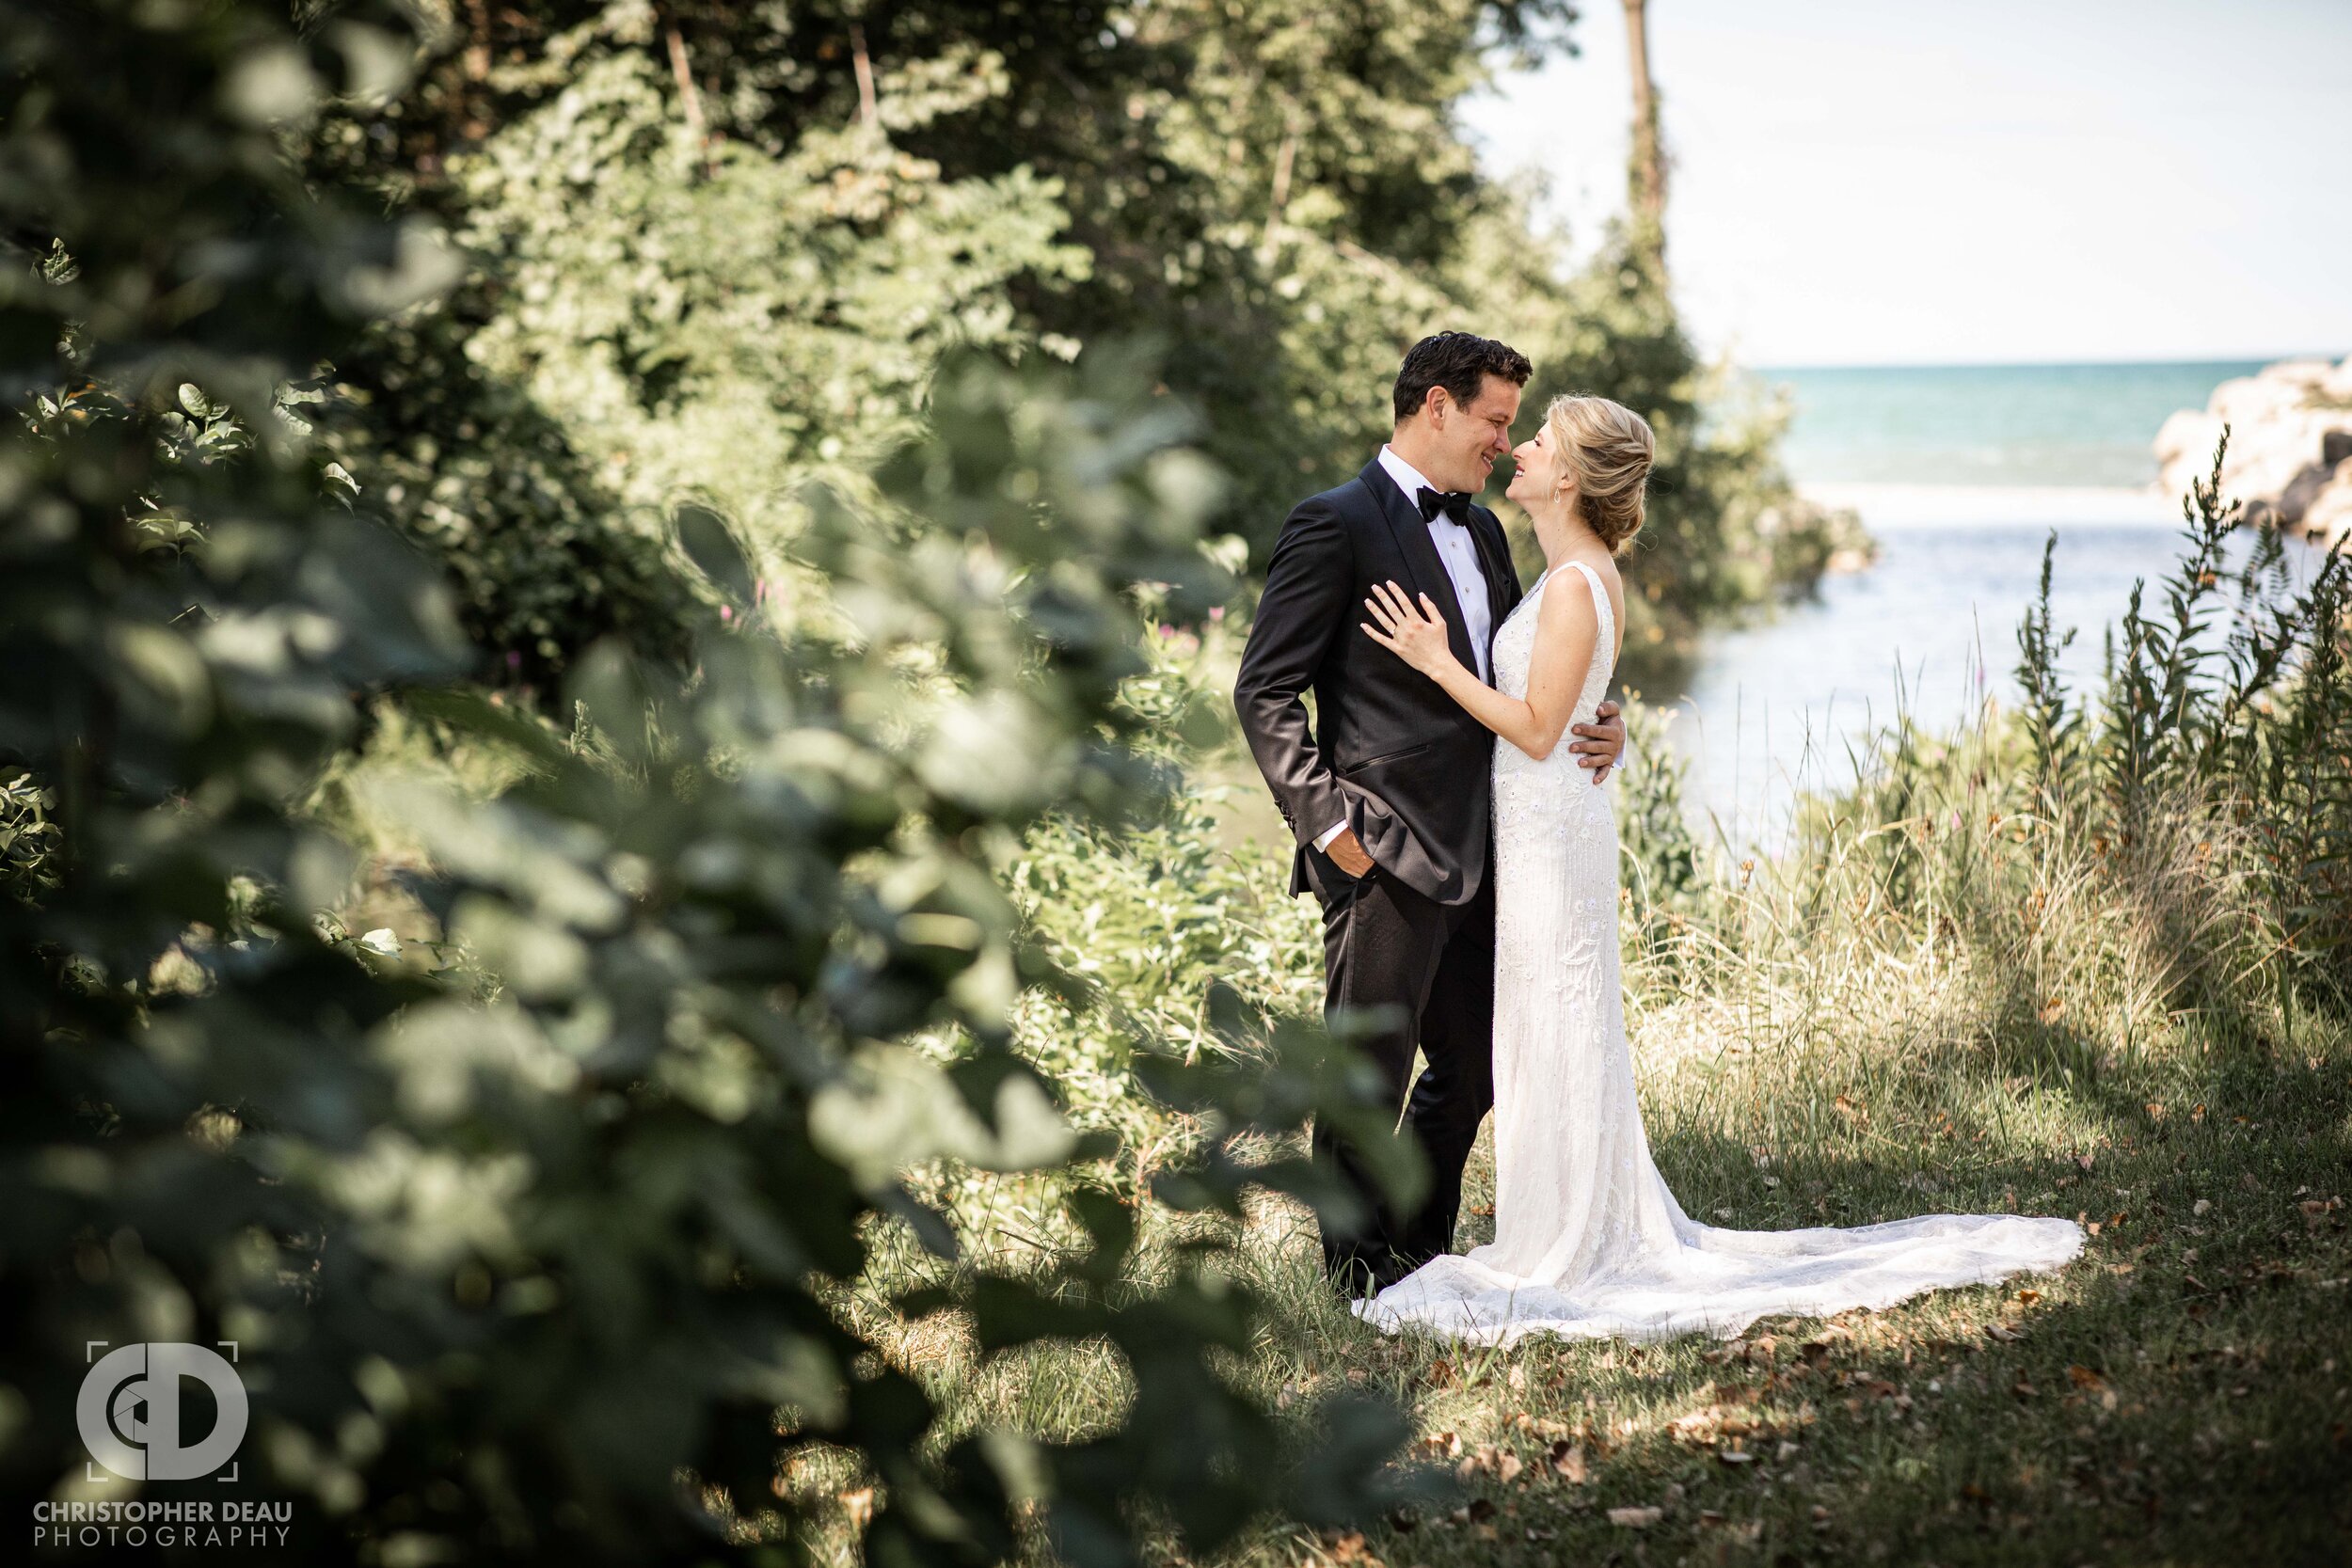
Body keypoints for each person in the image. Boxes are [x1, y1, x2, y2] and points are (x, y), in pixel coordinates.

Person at [1352, 390, 2084, 1342]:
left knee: (1560, 1013)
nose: (1520, 448)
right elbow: (1566, 706)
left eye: (1538, 441)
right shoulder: (1577, 571)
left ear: (1569, 475)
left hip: (1549, 826)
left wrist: (1437, 659)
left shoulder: (1577, 582)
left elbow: (1534, 726)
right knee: (1547, 1015)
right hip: (1544, 825)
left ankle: (1569, 1232)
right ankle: (1556, 1214)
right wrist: (1597, 720)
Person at [1232, 332, 1628, 1298]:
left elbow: (1526, 669)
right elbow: (1263, 690)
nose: (1503, 440)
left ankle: (1415, 1260)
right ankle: (1353, 1282)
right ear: (1436, 406)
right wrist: (1331, 828)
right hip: (1379, 849)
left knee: (1475, 1071)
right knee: (1365, 1077)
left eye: (1511, 424)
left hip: (1493, 846)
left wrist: (1600, 715)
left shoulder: (1487, 532)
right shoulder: (1334, 523)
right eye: (1495, 418)